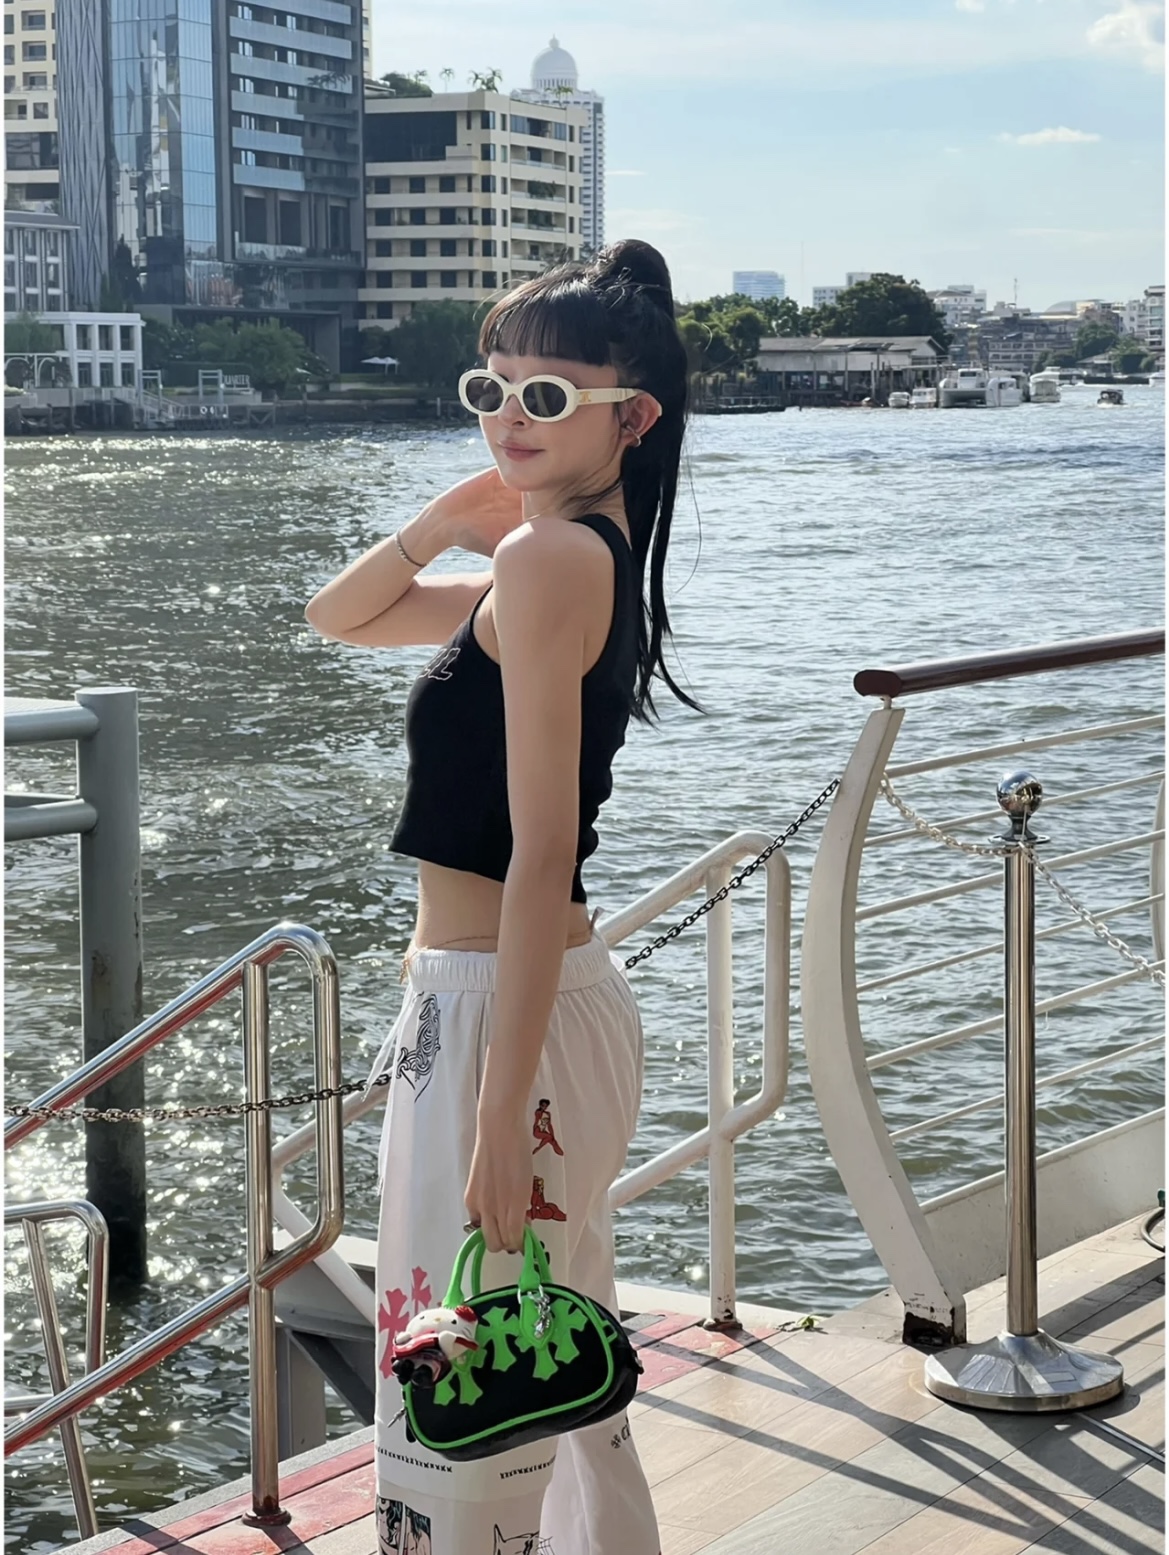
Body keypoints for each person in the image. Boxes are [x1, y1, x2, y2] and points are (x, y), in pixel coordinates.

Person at [305, 238, 694, 1555]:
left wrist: (493, 1120)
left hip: (499, 1024)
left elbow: (541, 853)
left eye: (546, 395)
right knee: (557, 1374)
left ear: (630, 417)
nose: (508, 417)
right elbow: (341, 617)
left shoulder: (548, 564)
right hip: (506, 1005)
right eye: (493, 388)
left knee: (468, 1382)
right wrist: (441, 519)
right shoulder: (561, 556)